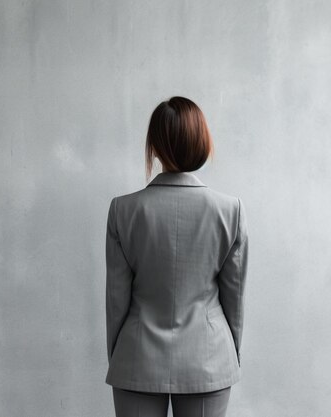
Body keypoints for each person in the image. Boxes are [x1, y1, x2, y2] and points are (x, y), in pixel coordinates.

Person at [105, 96, 249, 417]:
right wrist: (230, 353)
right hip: (209, 356)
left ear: (154, 147)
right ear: (202, 141)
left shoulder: (123, 209)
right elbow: (234, 298)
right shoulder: (229, 210)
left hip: (137, 356)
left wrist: (119, 356)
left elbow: (116, 300)